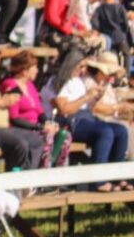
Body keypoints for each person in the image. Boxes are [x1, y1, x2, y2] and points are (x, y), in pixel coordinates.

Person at [54, 55, 129, 186]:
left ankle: (116, 177)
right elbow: (63, 110)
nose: (84, 70)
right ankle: (97, 181)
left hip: (86, 118)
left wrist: (95, 98)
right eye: (81, 66)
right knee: (105, 132)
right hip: (71, 121)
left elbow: (92, 109)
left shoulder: (85, 82)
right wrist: (87, 97)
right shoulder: (68, 83)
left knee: (121, 131)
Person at [40, 0, 106, 91]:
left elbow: (71, 17)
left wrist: (83, 30)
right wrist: (73, 31)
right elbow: (51, 17)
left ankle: (80, 81)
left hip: (63, 31)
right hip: (52, 33)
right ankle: (60, 85)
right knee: (81, 46)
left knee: (93, 43)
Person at [0, 49, 70, 168]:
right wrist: (40, 127)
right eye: (34, 67)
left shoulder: (30, 85)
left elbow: (39, 111)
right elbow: (14, 118)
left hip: (35, 126)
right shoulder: (11, 85)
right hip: (20, 128)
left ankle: (58, 170)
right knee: (47, 136)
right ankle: (41, 171)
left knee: (65, 135)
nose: (37, 70)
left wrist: (49, 123)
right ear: (24, 70)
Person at [87, 0, 133, 66]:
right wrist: (123, 33)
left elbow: (95, 24)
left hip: (107, 37)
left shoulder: (99, 9)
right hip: (119, 37)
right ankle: (125, 73)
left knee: (111, 57)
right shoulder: (120, 8)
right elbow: (125, 24)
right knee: (126, 55)